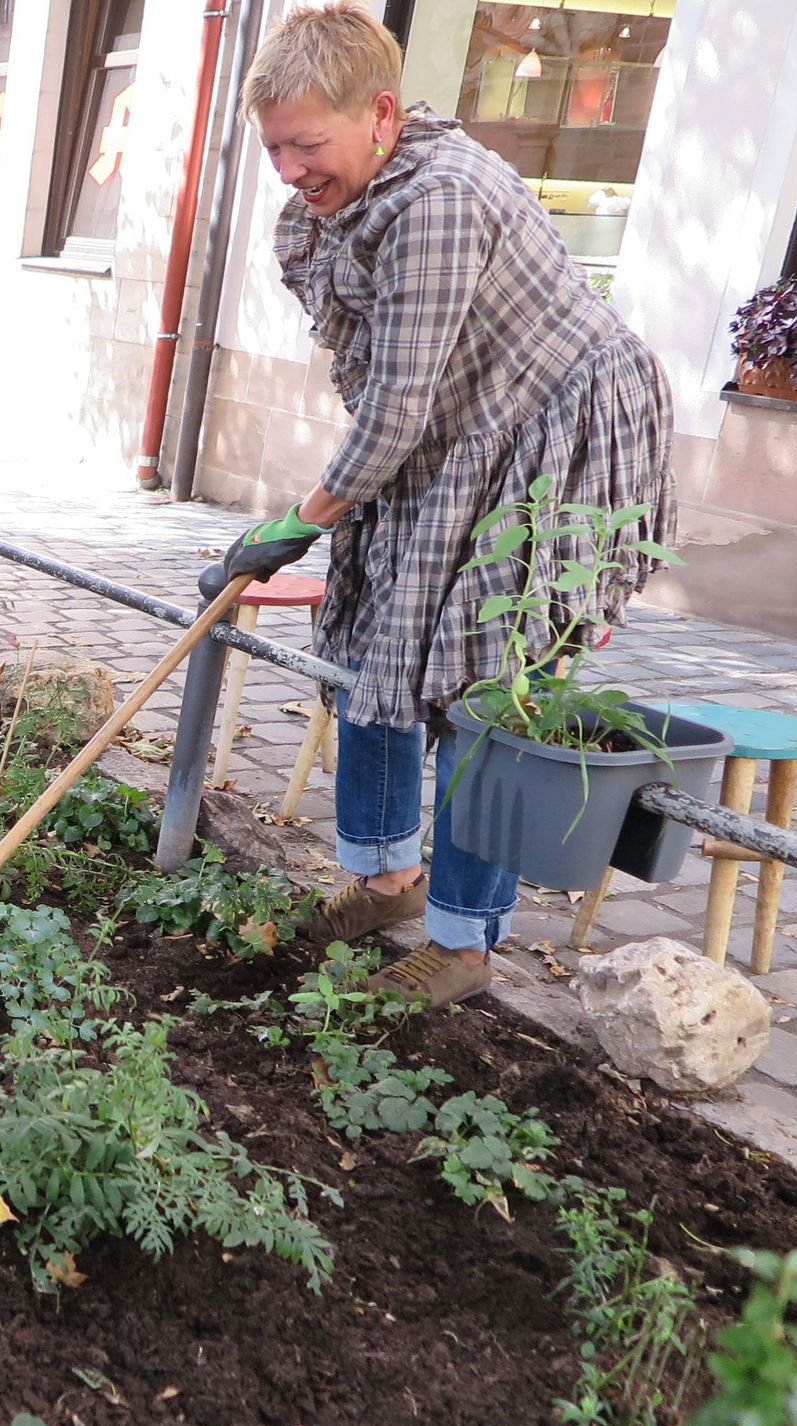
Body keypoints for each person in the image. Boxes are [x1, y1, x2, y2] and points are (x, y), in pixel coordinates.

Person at [220, 2, 672, 1007]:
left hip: (551, 441)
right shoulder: (341, 205)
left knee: (484, 680)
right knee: (378, 647)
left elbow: (396, 404)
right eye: (273, 147)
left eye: (306, 143)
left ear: (380, 114)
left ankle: (465, 942)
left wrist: (302, 520)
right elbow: (390, 391)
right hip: (451, 438)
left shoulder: (440, 201)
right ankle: (387, 877)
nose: (288, 169)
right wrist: (340, 513)